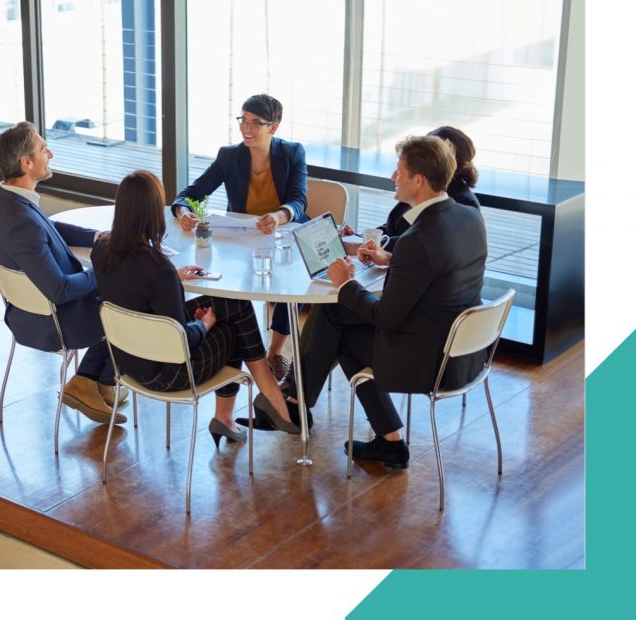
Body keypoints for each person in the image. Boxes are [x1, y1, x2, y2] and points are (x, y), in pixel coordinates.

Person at [272, 135, 488, 468]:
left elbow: (386, 318)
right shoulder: (467, 217)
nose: (392, 176)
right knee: (337, 316)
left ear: (418, 181)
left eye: (398, 171)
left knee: (341, 329)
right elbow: (434, 268)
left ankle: (298, 405)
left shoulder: (419, 240)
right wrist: (391, 259)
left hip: (430, 361)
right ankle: (301, 405)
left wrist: (346, 282)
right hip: (464, 351)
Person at [92, 169, 298, 444]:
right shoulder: (158, 269)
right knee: (234, 322)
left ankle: (233, 416)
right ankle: (272, 401)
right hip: (169, 373)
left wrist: (175, 278)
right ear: (153, 211)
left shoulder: (103, 249)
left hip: (128, 362)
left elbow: (133, 291)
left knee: (232, 305)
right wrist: (203, 325)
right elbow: (181, 343)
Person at [0, 121, 128, 427]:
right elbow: (60, 290)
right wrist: (107, 271)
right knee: (131, 298)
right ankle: (86, 380)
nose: (50, 152)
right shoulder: (20, 222)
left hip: (26, 313)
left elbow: (50, 229)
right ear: (27, 163)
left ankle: (102, 380)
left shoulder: (5, 202)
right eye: (42, 148)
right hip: (55, 322)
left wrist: (103, 238)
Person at [170, 94, 307, 381]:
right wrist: (183, 211)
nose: (247, 127)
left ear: (274, 127)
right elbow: (189, 194)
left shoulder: (292, 153)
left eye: (256, 122)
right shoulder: (229, 156)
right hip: (243, 237)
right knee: (227, 286)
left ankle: (275, 351)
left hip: (282, 235)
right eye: (243, 120)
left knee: (287, 286)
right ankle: (234, 351)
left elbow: (299, 201)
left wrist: (280, 216)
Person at [341, 126, 480, 255]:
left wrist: (365, 247)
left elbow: (420, 242)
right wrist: (360, 237)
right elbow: (394, 228)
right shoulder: (423, 189)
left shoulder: (462, 205)